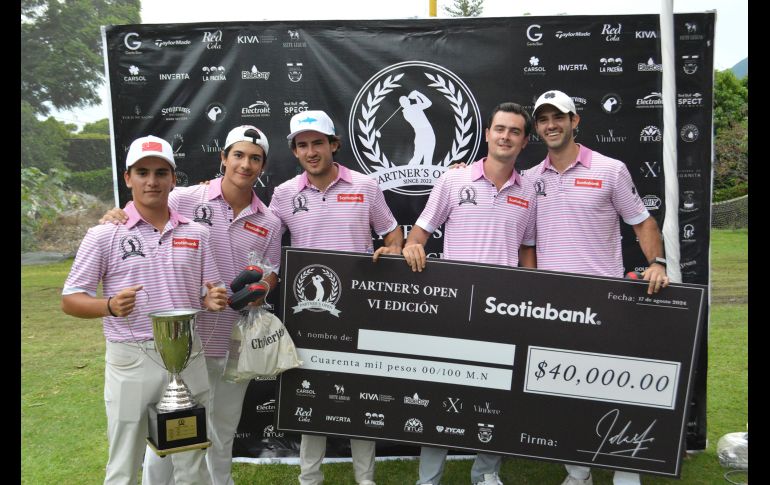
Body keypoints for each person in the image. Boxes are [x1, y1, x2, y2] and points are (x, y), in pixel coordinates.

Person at [99, 126, 283, 485]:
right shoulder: (185, 197)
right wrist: (116, 215)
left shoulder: (270, 220)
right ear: (223, 158)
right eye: (238, 155)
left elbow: (270, 270)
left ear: (262, 167)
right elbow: (143, 209)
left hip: (236, 336)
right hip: (184, 340)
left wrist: (263, 286)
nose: (245, 164)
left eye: (254, 158)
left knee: (224, 426)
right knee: (173, 427)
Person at [61, 135, 228, 485]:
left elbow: (208, 289)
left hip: (187, 355)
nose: (151, 181)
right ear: (128, 178)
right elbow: (71, 298)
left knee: (192, 461)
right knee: (124, 464)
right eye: (142, 172)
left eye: (160, 172)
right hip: (132, 358)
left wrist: (210, 300)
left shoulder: (196, 232)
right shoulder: (104, 234)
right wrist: (108, 305)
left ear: (173, 178)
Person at [523, 90, 669, 485]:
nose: (551, 124)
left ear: (575, 121)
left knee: (617, 390)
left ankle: (625, 471)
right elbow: (529, 245)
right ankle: (579, 472)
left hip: (606, 302)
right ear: (537, 128)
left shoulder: (611, 169)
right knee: (567, 395)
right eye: (543, 119)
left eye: (559, 116)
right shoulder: (531, 180)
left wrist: (656, 263)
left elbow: (643, 223)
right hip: (557, 306)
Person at [402, 102, 537, 485]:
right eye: (499, 129)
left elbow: (527, 249)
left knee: (494, 396)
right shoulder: (453, 181)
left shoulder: (529, 191)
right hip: (453, 309)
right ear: (489, 133)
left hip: (503, 311)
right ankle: (429, 478)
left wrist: (530, 298)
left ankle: (486, 473)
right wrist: (413, 247)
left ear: (525, 141)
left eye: (514, 131)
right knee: (440, 390)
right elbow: (420, 233)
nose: (505, 136)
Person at [269, 110, 404, 485]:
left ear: (334, 145)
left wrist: (392, 252)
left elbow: (393, 236)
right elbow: (260, 236)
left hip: (358, 312)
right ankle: (309, 478)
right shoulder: (283, 195)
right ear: (295, 152)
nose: (311, 151)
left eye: (318, 143)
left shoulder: (366, 186)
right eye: (302, 145)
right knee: (310, 396)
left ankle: (366, 478)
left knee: (359, 395)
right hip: (307, 313)